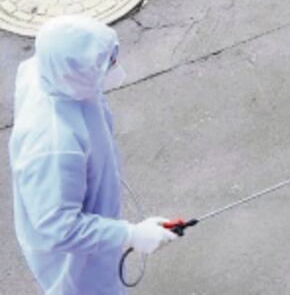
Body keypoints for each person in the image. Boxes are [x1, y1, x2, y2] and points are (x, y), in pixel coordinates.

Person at [9, 15, 178, 294]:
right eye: (104, 64)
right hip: (76, 265)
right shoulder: (54, 145)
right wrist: (130, 234)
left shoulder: (51, 73)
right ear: (71, 74)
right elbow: (58, 228)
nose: (114, 66)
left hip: (88, 214)